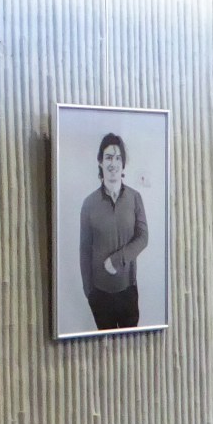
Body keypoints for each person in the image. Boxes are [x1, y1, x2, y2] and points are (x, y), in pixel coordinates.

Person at [79, 133, 148, 330]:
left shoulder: (135, 198)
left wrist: (118, 259)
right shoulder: (89, 204)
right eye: (108, 157)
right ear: (100, 162)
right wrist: (89, 292)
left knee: (131, 345)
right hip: (100, 296)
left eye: (118, 158)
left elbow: (143, 237)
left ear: (123, 164)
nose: (113, 163)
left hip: (128, 292)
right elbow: (85, 251)